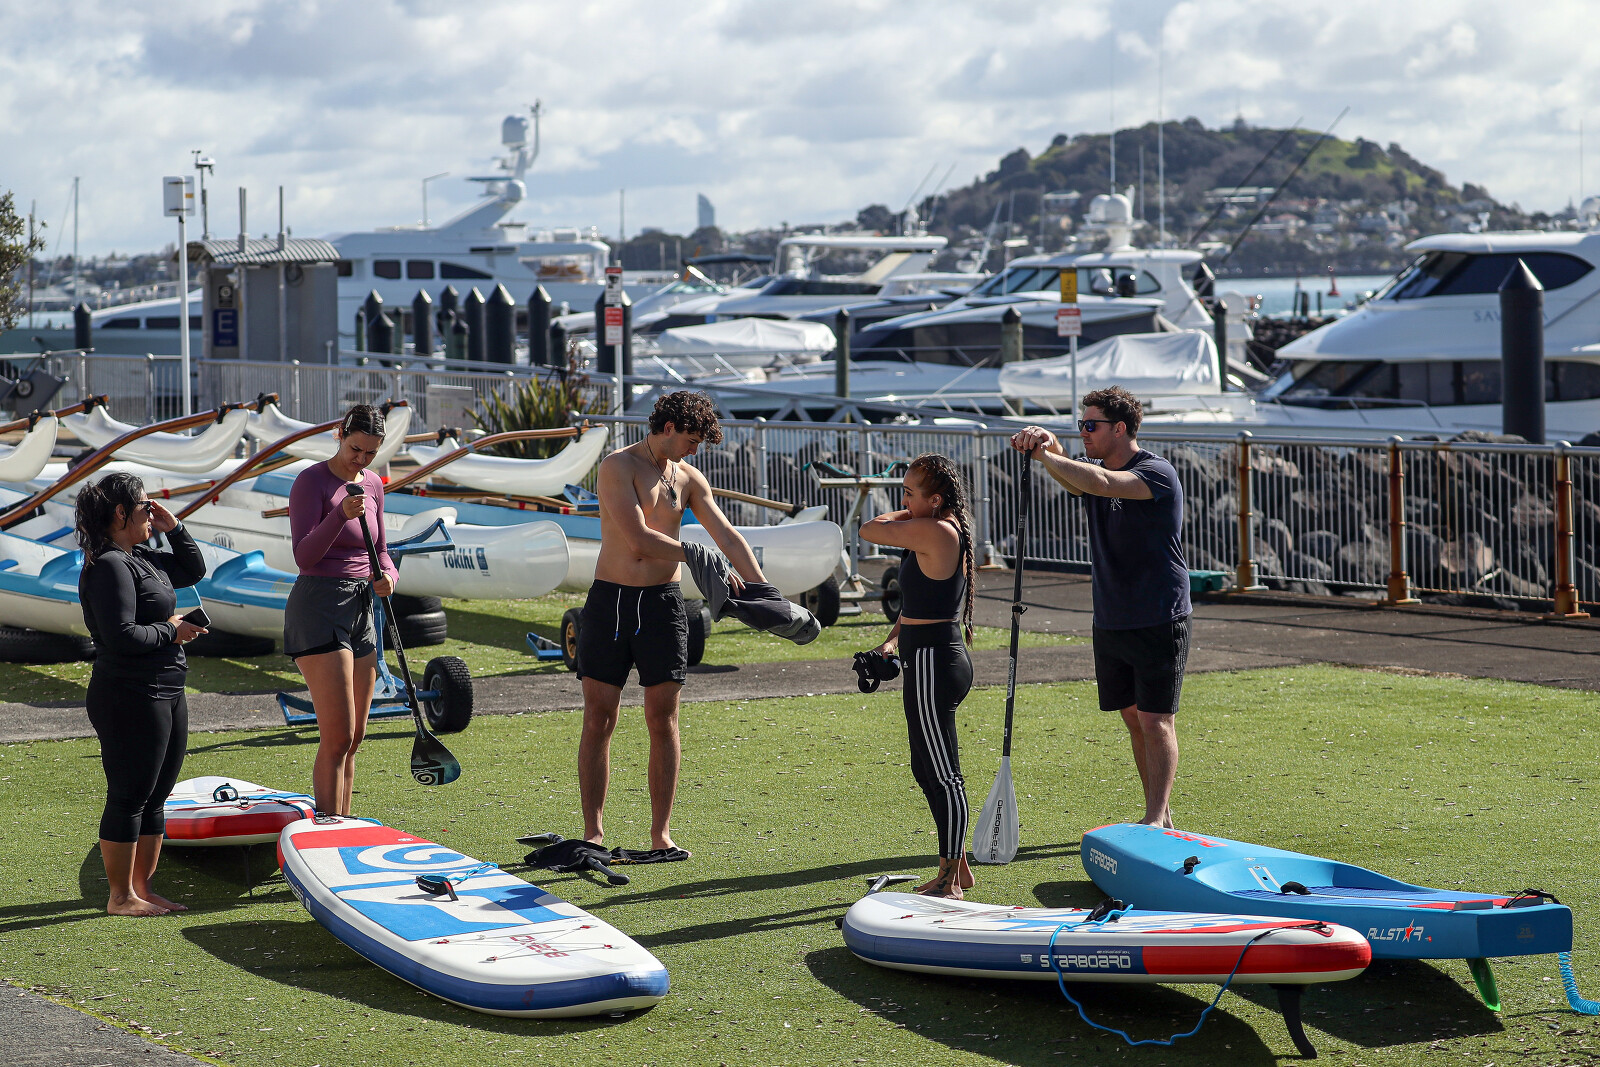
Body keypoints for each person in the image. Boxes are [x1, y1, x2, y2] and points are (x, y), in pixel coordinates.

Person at [578, 390, 766, 860]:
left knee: (663, 719)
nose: (694, 451)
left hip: (663, 604)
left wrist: (766, 592)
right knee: (599, 718)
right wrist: (699, 555)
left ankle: (661, 835)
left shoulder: (687, 477)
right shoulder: (617, 466)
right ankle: (593, 833)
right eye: (691, 440)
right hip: (611, 602)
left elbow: (728, 535)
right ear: (667, 428)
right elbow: (638, 539)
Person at [1011, 386, 1190, 828]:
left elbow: (1102, 483)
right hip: (1111, 615)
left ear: (1120, 428)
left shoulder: (1155, 472)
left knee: (1155, 720)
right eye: (1081, 425)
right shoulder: (1091, 469)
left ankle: (1154, 819)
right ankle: (1161, 812)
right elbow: (1077, 476)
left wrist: (1046, 454)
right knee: (1132, 717)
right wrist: (1046, 441)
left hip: (1159, 614)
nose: (1084, 432)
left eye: (1091, 425)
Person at [76, 472, 209, 916]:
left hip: (167, 687)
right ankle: (120, 897)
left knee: (156, 795)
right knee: (130, 794)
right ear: (121, 513)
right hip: (129, 692)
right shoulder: (109, 565)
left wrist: (176, 529)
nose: (151, 513)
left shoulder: (141, 556)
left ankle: (143, 889)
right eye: (144, 507)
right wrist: (172, 630)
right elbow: (121, 636)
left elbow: (193, 570)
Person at [859, 453, 977, 898]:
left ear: (937, 499)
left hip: (934, 661)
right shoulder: (934, 527)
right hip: (925, 657)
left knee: (943, 774)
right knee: (925, 768)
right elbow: (919, 604)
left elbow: (870, 528)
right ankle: (957, 866)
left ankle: (949, 882)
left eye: (910, 493)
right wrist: (891, 642)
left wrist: (908, 513)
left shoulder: (936, 530)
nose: (903, 501)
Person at [285, 403, 397, 817]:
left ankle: (342, 826)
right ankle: (327, 829)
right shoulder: (310, 481)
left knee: (355, 738)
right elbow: (304, 556)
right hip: (319, 604)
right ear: (340, 434)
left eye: (371, 453)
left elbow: (381, 552)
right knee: (338, 736)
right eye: (355, 449)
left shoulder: (374, 484)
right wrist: (338, 515)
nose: (361, 460)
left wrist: (389, 577)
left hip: (362, 607)